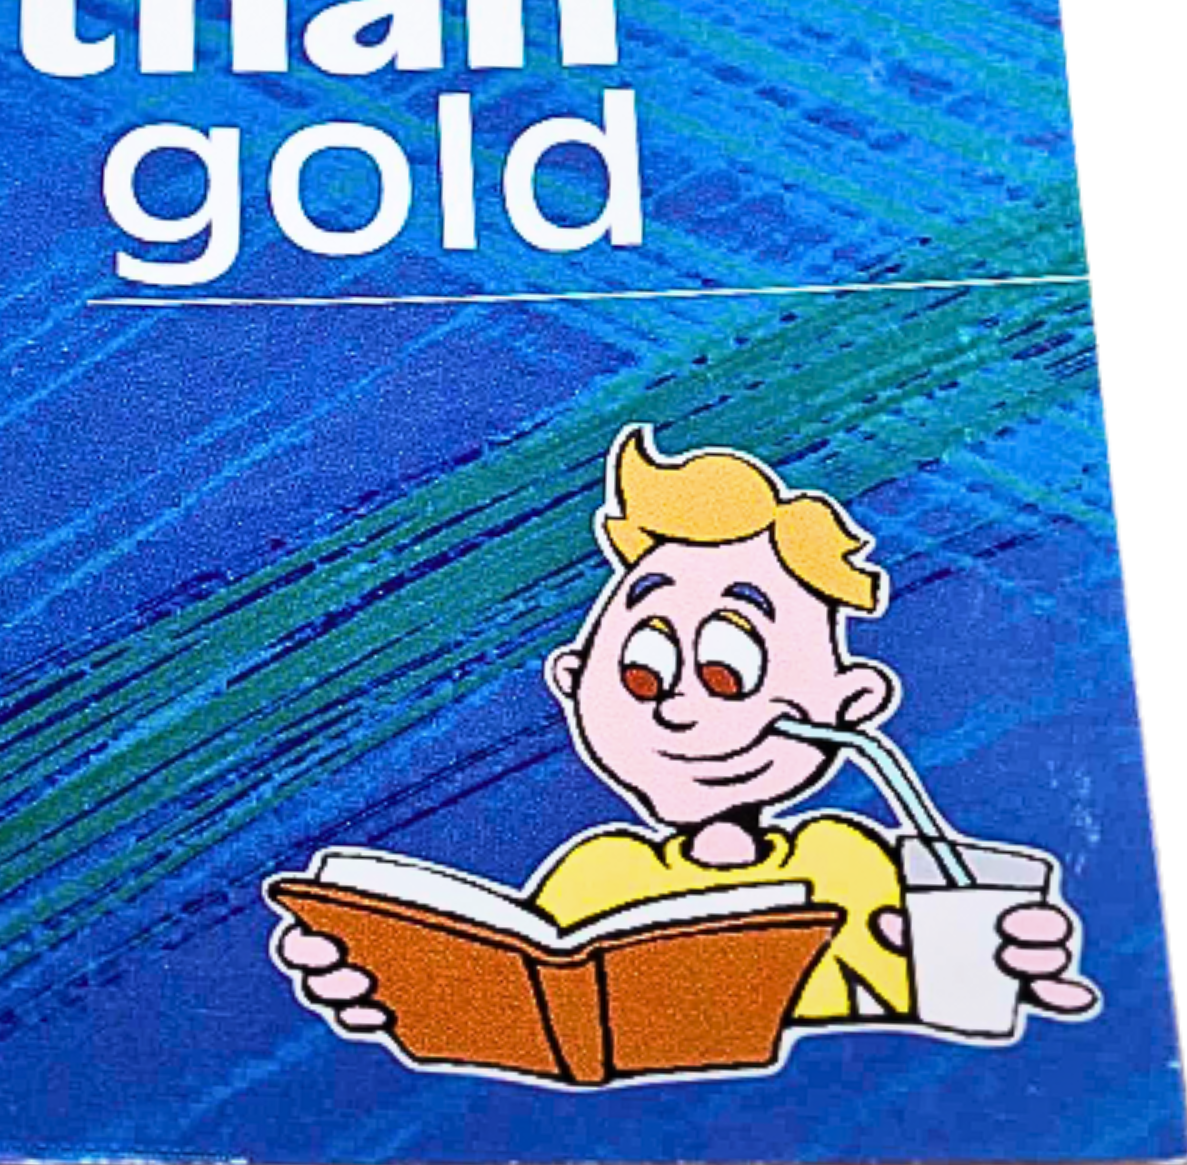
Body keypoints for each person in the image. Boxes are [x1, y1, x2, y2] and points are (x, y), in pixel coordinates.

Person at [276, 431, 1096, 1040]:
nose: (678, 707)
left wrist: (1014, 964)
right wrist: (401, 990)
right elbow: (530, 1004)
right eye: (643, 670)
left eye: (729, 669)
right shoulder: (596, 880)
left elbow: (926, 1008)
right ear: (575, 679)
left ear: (850, 704)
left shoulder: (849, 867)